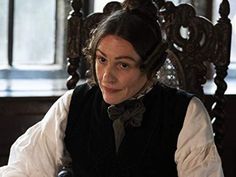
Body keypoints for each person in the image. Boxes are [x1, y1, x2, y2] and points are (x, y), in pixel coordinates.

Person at [0, 0, 224, 176]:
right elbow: (26, 168)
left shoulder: (187, 113)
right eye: (102, 59)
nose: (107, 76)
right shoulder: (72, 104)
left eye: (123, 65)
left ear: (151, 66)